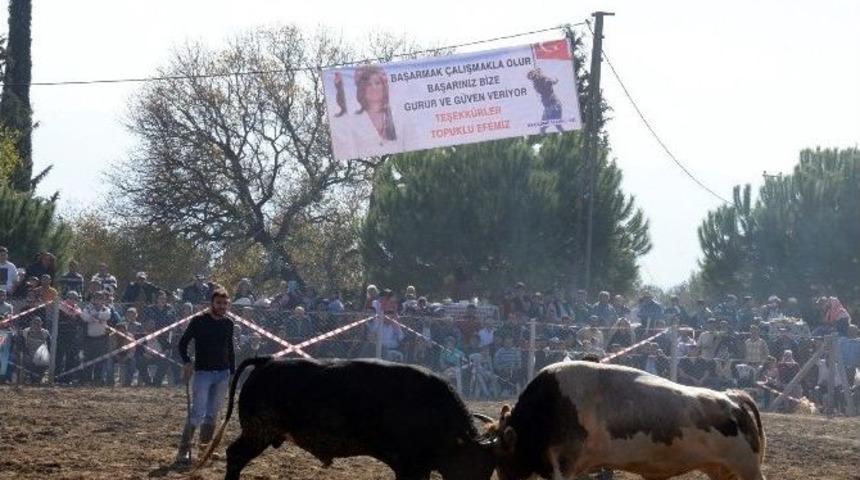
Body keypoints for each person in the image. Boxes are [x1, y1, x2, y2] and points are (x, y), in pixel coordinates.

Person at [175, 288, 235, 465]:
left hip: (223, 373)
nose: (222, 306)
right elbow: (182, 343)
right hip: (203, 373)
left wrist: (232, 372)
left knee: (212, 413)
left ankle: (204, 449)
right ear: (212, 304)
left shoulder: (228, 323)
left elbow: (230, 349)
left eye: (225, 303)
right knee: (197, 412)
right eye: (218, 303)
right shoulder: (199, 321)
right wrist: (186, 361)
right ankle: (183, 451)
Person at [328, 65, 398, 159]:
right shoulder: (352, 121)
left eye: (377, 83)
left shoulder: (396, 116)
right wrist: (339, 85)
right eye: (368, 84)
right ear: (362, 89)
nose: (374, 87)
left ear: (383, 86)